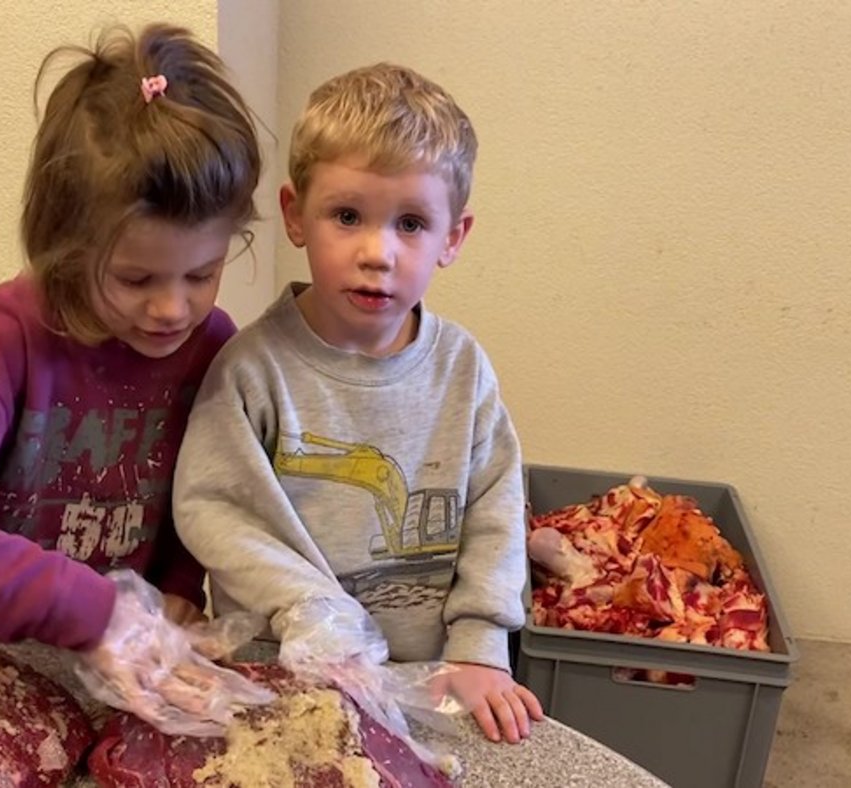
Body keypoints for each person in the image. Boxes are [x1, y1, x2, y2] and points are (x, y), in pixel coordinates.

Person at [0, 22, 272, 734]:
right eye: (135, 278)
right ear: (64, 248)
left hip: (93, 663)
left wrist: (176, 593)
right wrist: (93, 608)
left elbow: (203, 495)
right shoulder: (9, 334)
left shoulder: (213, 347)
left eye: (204, 273)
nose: (173, 308)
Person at [173, 62, 545, 744]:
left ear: (453, 238)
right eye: (347, 216)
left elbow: (496, 511)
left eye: (411, 224)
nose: (378, 253)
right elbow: (216, 510)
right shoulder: (253, 371)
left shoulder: (463, 370)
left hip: (430, 677)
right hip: (282, 676)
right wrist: (307, 610)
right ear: (294, 215)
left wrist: (480, 646)